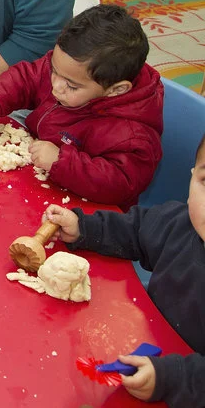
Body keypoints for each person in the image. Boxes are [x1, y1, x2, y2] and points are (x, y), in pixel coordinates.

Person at [41, 133, 205, 405]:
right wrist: (85, 229)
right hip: (147, 344)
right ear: (192, 177)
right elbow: (136, 230)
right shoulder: (179, 224)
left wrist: (174, 378)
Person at [0, 5, 163, 208]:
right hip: (38, 177)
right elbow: (27, 77)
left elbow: (121, 184)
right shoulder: (69, 71)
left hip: (86, 213)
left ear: (116, 90)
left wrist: (60, 162)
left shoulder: (132, 135)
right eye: (54, 69)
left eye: (71, 86)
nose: (55, 86)